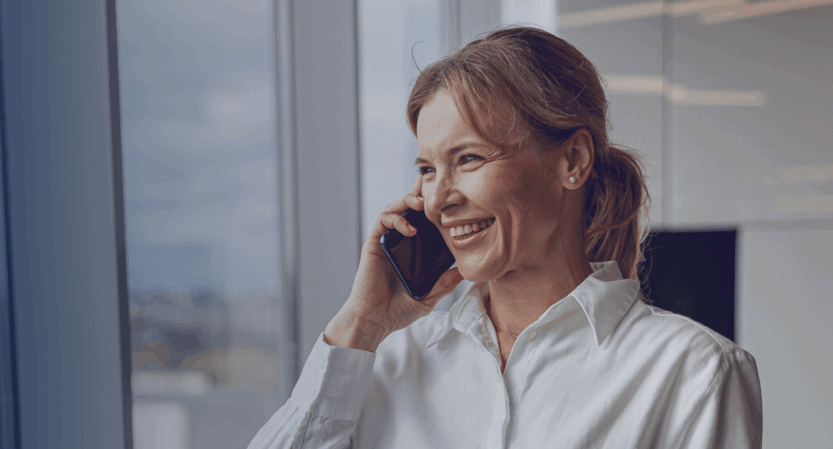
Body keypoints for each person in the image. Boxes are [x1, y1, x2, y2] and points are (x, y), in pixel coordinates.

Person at [249, 26, 762, 448]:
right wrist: (359, 325)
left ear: (572, 162)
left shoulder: (694, 372)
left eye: (468, 158)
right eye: (427, 169)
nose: (438, 198)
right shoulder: (386, 361)